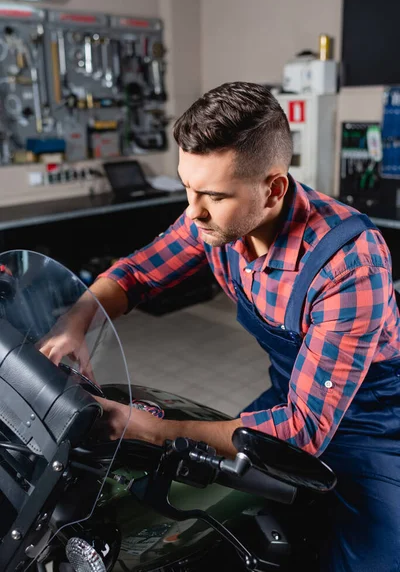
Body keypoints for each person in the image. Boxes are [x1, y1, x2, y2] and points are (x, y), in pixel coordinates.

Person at [40, 82, 400, 571]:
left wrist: (155, 430)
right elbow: (138, 273)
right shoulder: (216, 220)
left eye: (212, 194)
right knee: (196, 503)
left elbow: (303, 429)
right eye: (188, 188)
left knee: (367, 559)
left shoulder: (350, 264)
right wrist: (75, 321)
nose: (193, 211)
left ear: (272, 188)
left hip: (375, 426)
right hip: (291, 393)